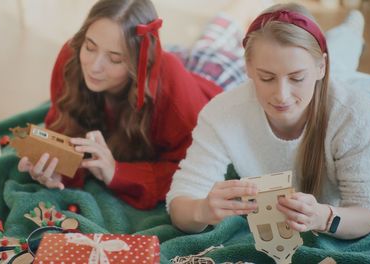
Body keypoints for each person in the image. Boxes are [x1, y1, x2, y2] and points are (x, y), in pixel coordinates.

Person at [166, 3, 370, 239]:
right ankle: (344, 36)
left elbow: (368, 213)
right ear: (248, 68)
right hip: (319, 86)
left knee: (344, 64)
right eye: (267, 78)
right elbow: (180, 202)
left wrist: (323, 217)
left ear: (321, 68)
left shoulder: (354, 113)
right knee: (337, 62)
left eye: (296, 78)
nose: (281, 95)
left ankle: (351, 30)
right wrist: (202, 210)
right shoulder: (221, 113)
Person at [16, 0, 246, 209]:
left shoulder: (173, 95)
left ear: (140, 61)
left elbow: (193, 171)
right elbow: (63, 130)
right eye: (90, 46)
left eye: (115, 58)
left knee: (226, 38)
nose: (94, 67)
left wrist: (118, 172)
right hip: (168, 61)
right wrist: (58, 171)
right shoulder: (72, 57)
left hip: (213, 76)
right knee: (209, 36)